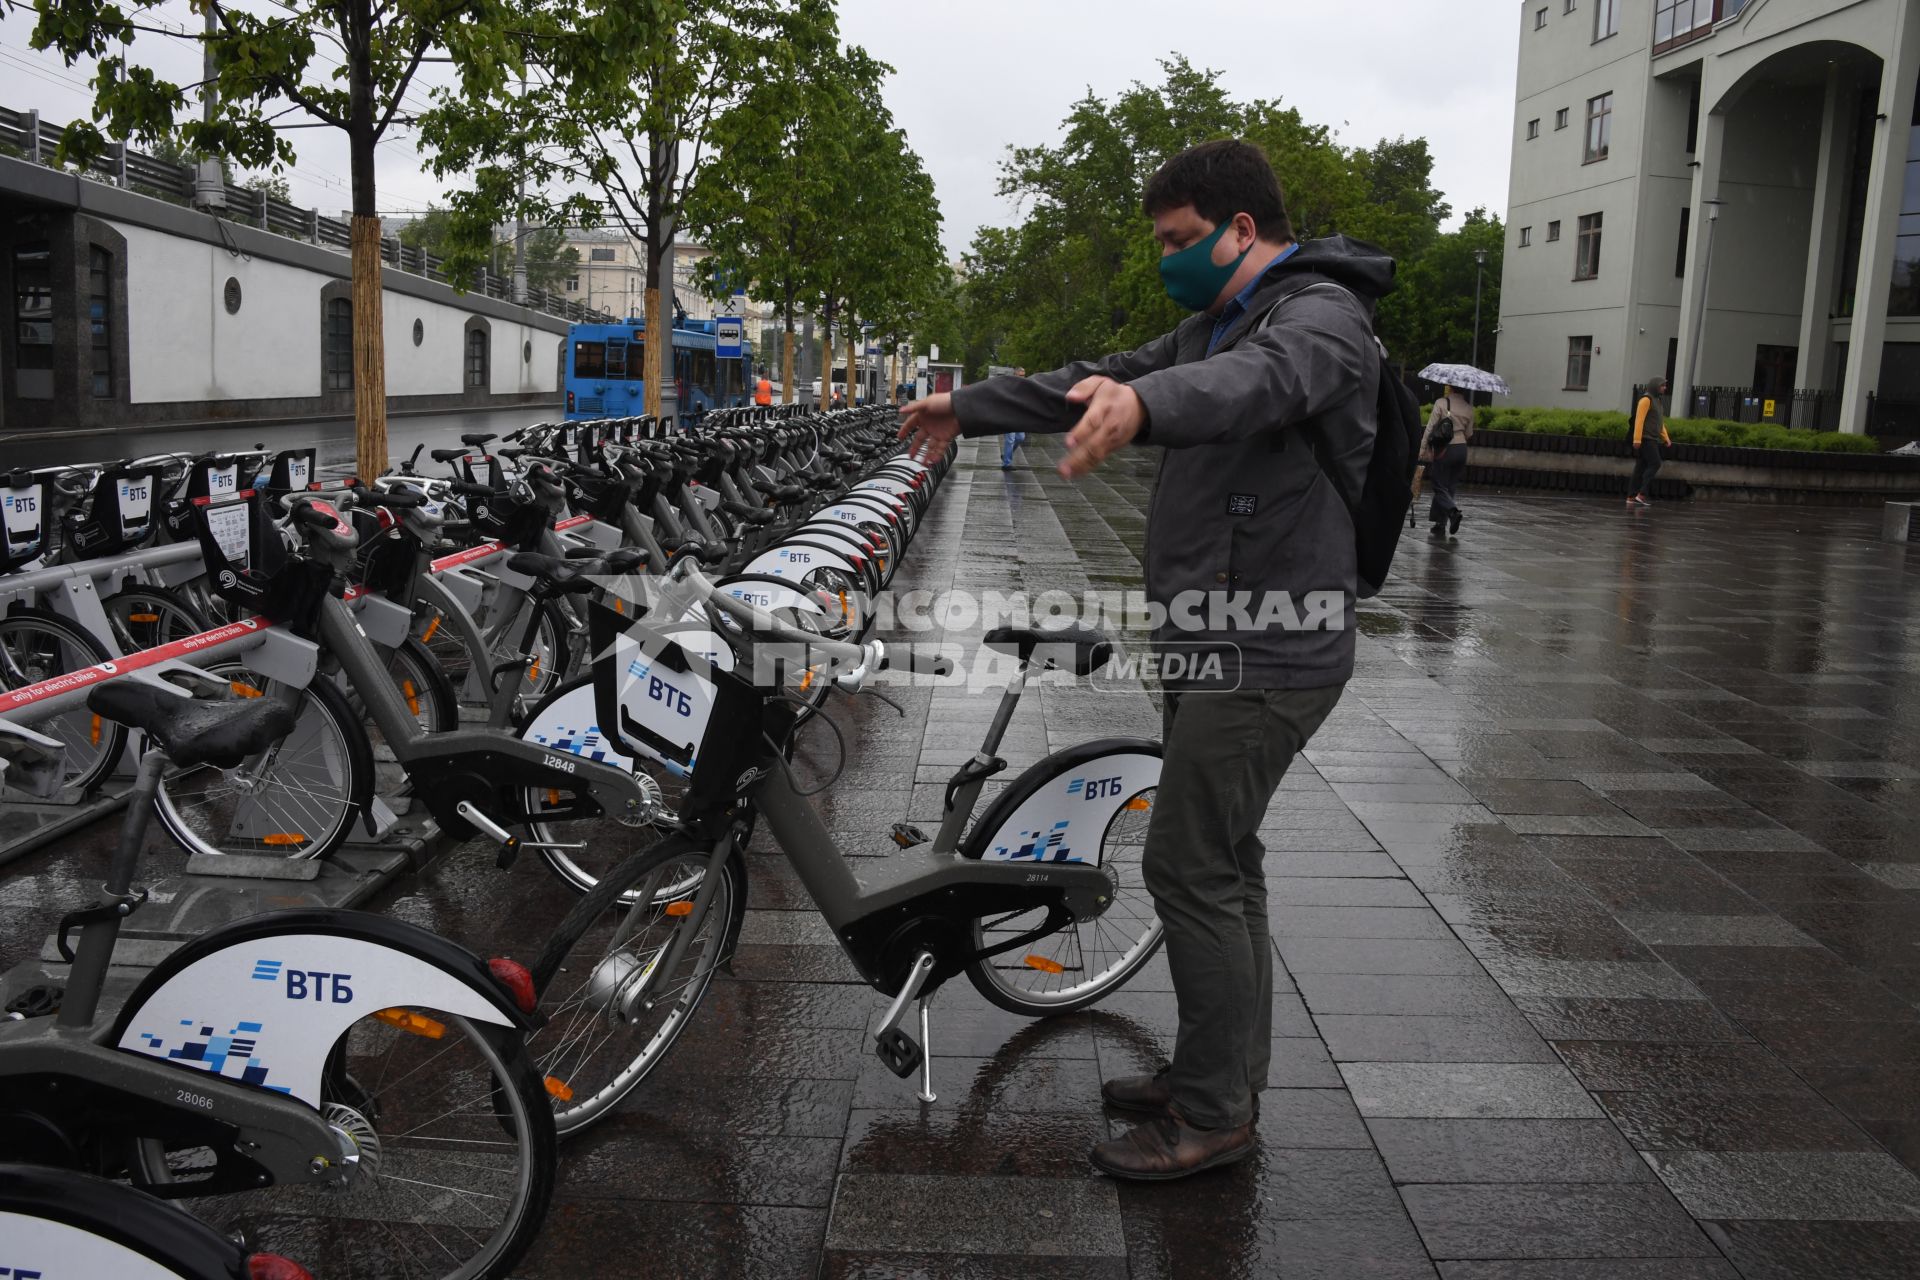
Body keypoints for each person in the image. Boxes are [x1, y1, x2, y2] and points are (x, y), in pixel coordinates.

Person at [899, 138, 1389, 1181]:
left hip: (1271, 649)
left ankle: (1213, 1112)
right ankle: (1221, 1073)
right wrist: (974, 406)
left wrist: (1153, 406)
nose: (1167, 258)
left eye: (1178, 240)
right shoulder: (1222, 319)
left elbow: (1257, 385)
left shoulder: (1320, 317)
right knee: (1226, 863)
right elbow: (1108, 377)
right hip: (1221, 636)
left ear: (1240, 230)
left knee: (1187, 864)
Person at [1424, 385, 1473, 535]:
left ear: (1450, 388)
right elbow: (1469, 433)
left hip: (1445, 449)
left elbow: (1430, 427)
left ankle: (1453, 512)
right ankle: (1441, 524)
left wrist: (1422, 449)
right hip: (1461, 449)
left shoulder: (1441, 403)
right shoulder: (1469, 408)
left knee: (1439, 486)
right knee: (1450, 487)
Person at [1628, 376, 1671, 506]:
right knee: (1655, 463)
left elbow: (1659, 422)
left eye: (1664, 385)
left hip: (1652, 438)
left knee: (1640, 467)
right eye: (1662, 386)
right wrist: (1636, 439)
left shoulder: (1657, 401)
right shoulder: (1646, 400)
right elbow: (1639, 420)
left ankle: (1631, 497)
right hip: (1646, 439)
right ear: (1655, 386)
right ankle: (1642, 494)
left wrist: (1666, 438)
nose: (1665, 388)